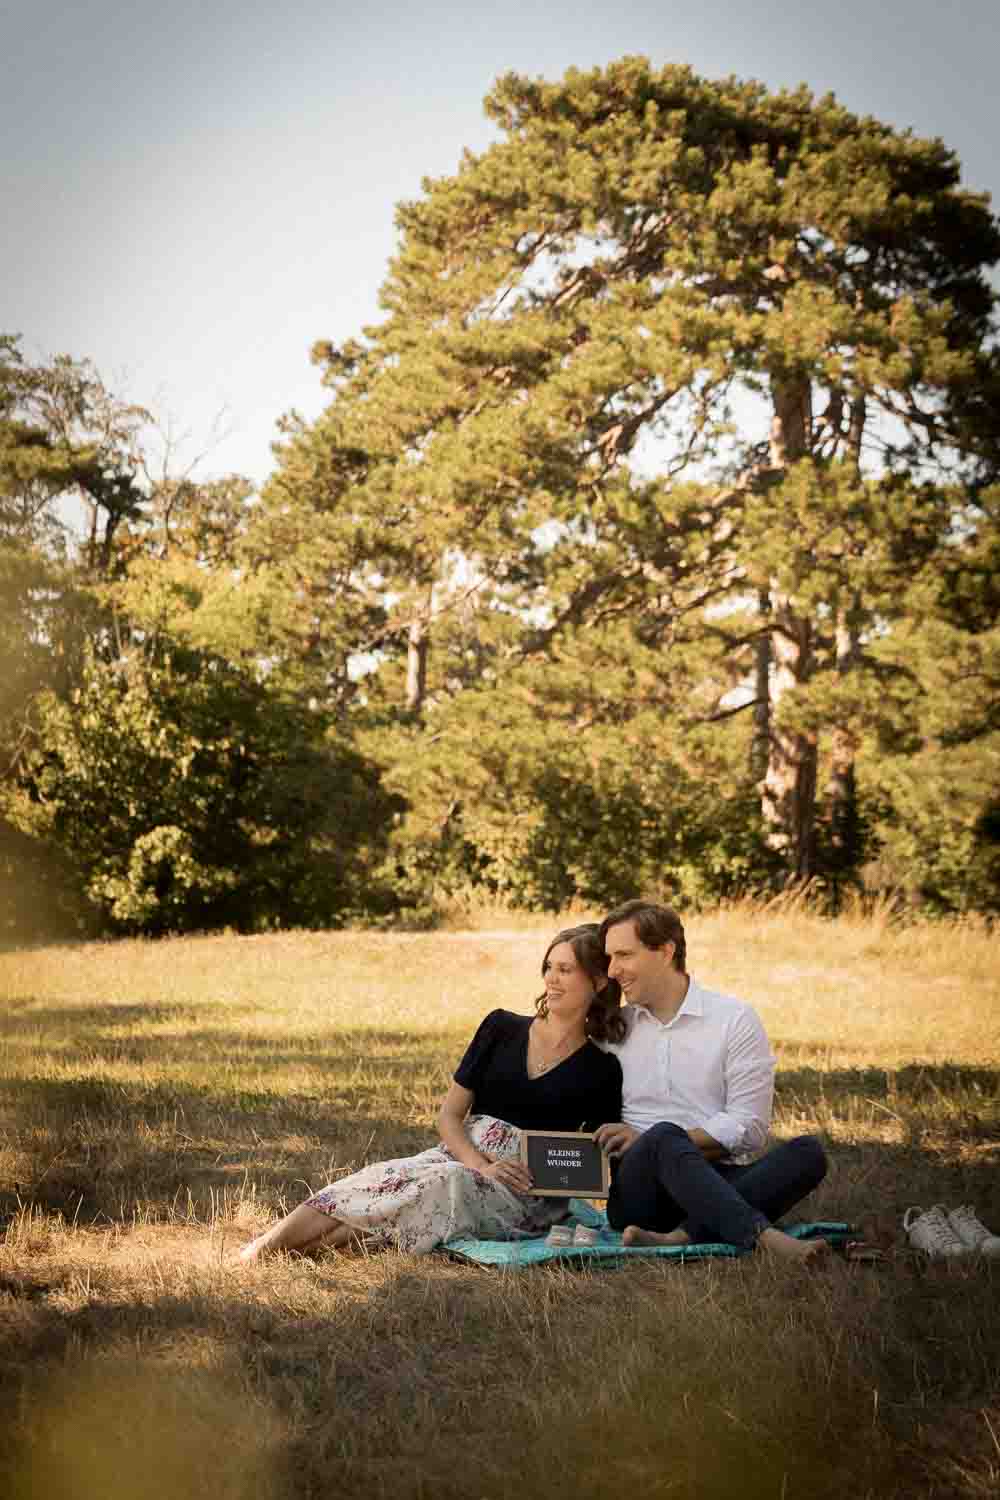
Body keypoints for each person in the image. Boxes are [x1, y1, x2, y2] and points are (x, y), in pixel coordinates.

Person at [239, 924, 624, 1262]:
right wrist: (478, 1163)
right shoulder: (501, 1028)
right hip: (460, 1156)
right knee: (381, 1179)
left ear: (599, 982)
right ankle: (264, 1251)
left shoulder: (601, 1069)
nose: (551, 979)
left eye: (566, 970)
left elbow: (595, 1159)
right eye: (549, 967)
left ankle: (291, 1253)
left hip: (522, 1191)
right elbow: (449, 1116)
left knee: (442, 1187)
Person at [594, 898, 829, 1264]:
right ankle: (765, 1239)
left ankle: (682, 1236)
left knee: (808, 1153)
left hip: (718, 1178)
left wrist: (672, 1142)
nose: (612, 971)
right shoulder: (615, 1028)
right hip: (641, 1193)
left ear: (666, 951)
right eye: (609, 958)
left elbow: (750, 1127)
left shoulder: (733, 1020)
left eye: (624, 955)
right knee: (663, 1136)